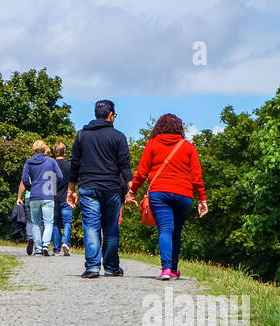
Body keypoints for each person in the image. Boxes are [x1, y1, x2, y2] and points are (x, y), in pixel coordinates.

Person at [127, 113, 208, 281]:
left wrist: (133, 191)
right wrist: (202, 199)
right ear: (179, 128)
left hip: (160, 193)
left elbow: (142, 172)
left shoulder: (152, 144)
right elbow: (197, 176)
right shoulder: (187, 146)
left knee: (165, 229)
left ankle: (166, 269)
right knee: (176, 232)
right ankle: (174, 269)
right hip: (184, 194)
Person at [66, 99, 133, 278]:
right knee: (111, 229)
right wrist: (131, 189)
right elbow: (125, 166)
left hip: (88, 187)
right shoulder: (118, 137)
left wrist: (70, 190)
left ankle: (92, 267)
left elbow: (75, 164)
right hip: (112, 188)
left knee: (91, 227)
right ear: (111, 115)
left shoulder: (81, 136)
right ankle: (111, 267)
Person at [17, 140, 64, 256]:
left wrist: (30, 187)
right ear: (44, 149)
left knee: (36, 223)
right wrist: (51, 184)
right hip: (47, 195)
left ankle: (37, 249)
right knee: (48, 222)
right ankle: (45, 245)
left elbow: (24, 178)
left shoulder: (29, 162)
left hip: (34, 195)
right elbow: (60, 177)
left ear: (34, 149)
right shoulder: (51, 161)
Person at [51, 141, 73, 256]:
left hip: (53, 197)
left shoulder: (51, 165)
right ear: (65, 151)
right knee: (67, 222)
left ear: (55, 152)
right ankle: (65, 242)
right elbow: (72, 182)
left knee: (55, 223)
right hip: (66, 197)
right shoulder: (69, 166)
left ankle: (56, 249)